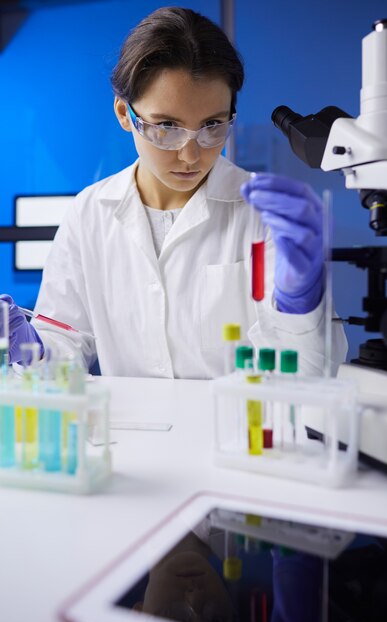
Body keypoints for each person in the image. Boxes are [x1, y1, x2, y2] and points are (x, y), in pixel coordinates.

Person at [1, 6, 347, 378]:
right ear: (124, 112)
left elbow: (312, 372)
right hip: (127, 435)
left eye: (213, 125)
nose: (191, 153)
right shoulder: (90, 212)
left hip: (233, 432)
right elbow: (65, 344)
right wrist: (29, 347)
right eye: (167, 125)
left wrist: (301, 302)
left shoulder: (263, 215)